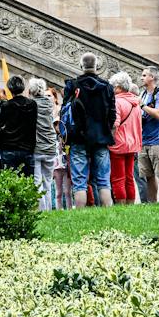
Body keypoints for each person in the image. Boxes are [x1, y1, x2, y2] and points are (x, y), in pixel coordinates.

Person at [62, 53, 115, 208]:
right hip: (101, 137)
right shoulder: (107, 87)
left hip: (78, 137)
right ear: (97, 66)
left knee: (79, 182)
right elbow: (112, 114)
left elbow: (64, 113)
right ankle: (108, 213)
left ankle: (80, 216)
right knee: (104, 180)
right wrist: (107, 128)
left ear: (81, 65)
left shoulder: (72, 85)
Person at [137, 66, 159, 203]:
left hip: (158, 141)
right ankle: (153, 203)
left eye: (144, 75)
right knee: (148, 176)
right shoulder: (143, 94)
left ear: (152, 77)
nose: (141, 77)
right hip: (144, 141)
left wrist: (142, 107)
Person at [0, 75, 38, 177]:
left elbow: (0, 126)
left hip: (9, 149)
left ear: (10, 89)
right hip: (27, 149)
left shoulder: (6, 106)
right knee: (28, 184)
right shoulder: (32, 104)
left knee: (10, 184)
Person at [108, 71, 142, 204]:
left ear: (118, 87)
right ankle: (130, 205)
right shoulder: (136, 102)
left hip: (118, 145)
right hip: (133, 144)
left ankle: (122, 207)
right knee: (129, 177)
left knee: (118, 178)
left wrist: (109, 141)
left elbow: (115, 125)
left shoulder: (117, 102)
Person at [26, 78, 58, 208]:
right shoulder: (50, 103)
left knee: (37, 183)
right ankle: (49, 209)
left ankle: (41, 211)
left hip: (37, 147)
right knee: (48, 183)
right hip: (50, 146)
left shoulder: (30, 105)